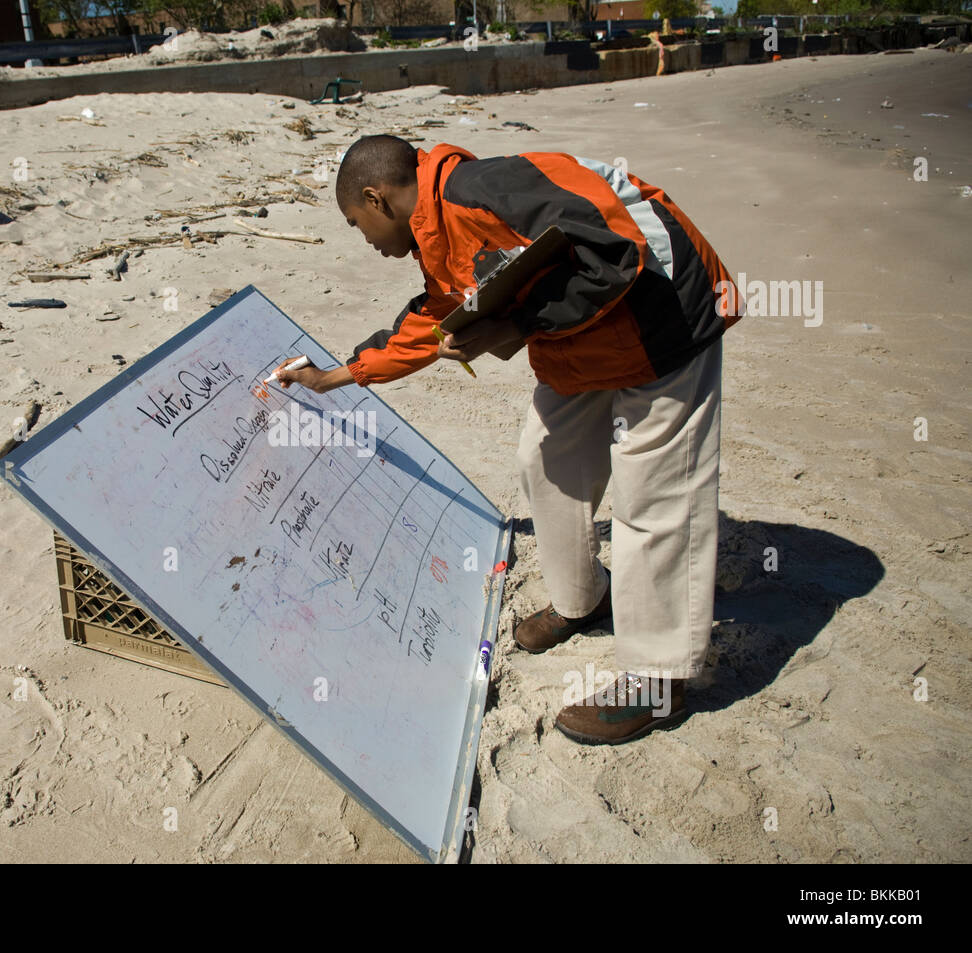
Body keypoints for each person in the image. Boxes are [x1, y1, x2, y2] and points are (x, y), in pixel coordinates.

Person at [274, 134, 742, 745]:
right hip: (586, 342)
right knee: (544, 460)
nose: (363, 239)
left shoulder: (487, 188)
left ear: (375, 197)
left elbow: (618, 252)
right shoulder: (437, 232)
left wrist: (514, 324)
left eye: (355, 223)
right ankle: (582, 600)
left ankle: (658, 681)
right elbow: (438, 316)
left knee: (653, 500)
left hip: (665, 316)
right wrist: (336, 377)